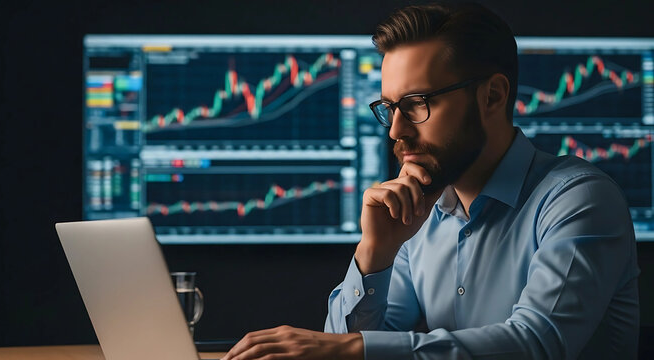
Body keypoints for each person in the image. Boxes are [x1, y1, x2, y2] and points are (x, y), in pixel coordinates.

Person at [222, 2, 640, 359]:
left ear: (492, 96)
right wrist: (375, 253)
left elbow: (537, 344)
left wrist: (354, 350)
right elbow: (342, 347)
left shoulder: (580, 200)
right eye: (389, 107)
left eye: (417, 103)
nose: (395, 131)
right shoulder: (421, 216)